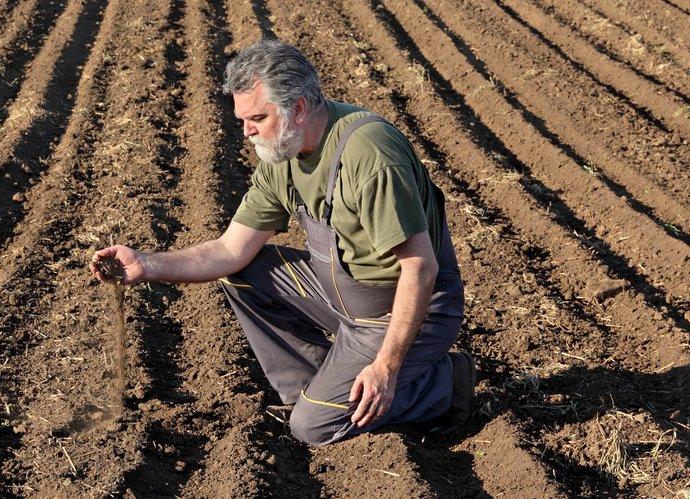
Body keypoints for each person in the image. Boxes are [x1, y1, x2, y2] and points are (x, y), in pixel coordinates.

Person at [90, 39, 474, 446]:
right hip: (337, 294)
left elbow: (420, 267)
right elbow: (230, 250)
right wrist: (147, 264)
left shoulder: (369, 155)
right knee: (243, 271)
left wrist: (386, 367)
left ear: (299, 108)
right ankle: (314, 389)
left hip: (403, 310)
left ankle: (443, 383)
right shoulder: (284, 153)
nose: (247, 131)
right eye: (243, 119)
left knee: (314, 428)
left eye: (257, 117)